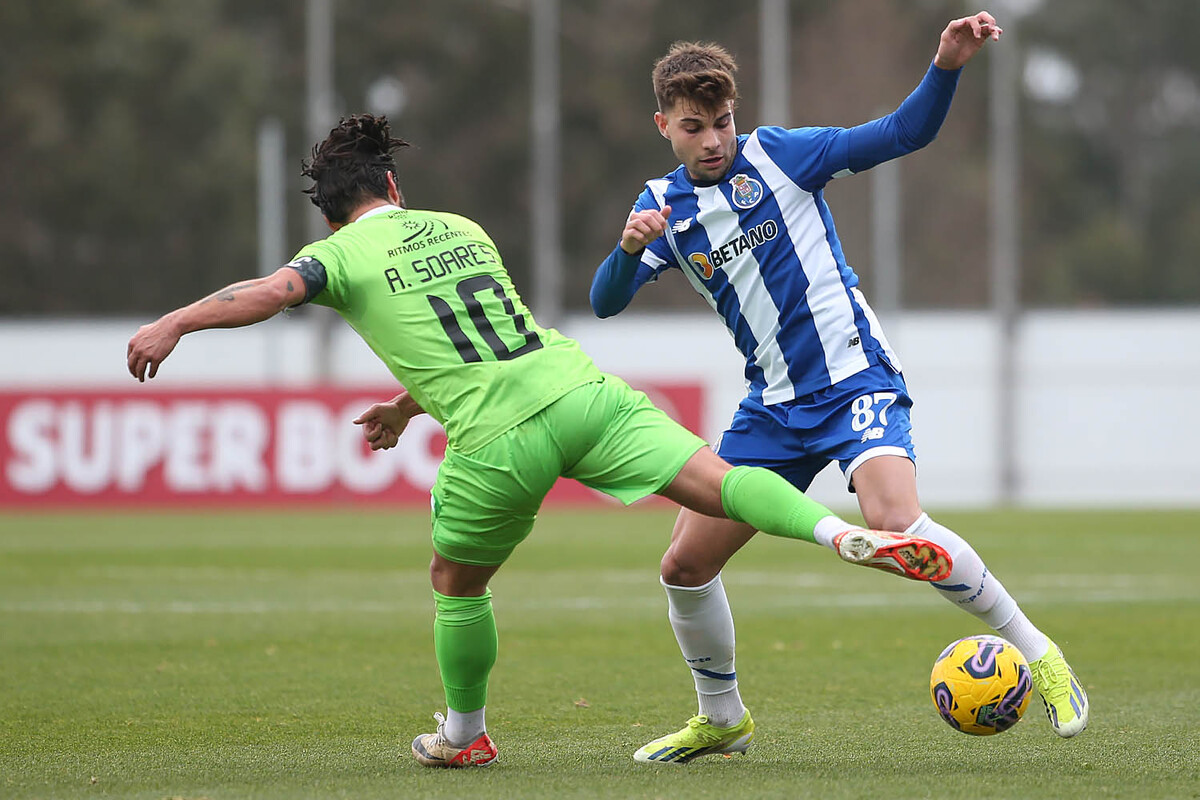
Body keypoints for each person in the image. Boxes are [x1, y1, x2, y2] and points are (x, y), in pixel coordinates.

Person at [126, 114, 953, 769]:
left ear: (334, 207)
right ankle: (839, 531)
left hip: (498, 440)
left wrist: (176, 321)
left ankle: (466, 733)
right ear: (391, 183)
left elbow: (269, 292)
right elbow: (483, 337)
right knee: (719, 480)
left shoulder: (335, 254)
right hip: (579, 391)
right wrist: (407, 406)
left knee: (455, 580)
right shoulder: (458, 227)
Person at [590, 11, 1088, 762]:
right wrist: (629, 250)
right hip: (772, 408)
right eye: (694, 127)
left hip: (853, 376)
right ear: (663, 123)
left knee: (896, 519)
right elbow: (605, 299)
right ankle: (723, 719)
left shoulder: (784, 155)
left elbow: (901, 133)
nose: (715, 140)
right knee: (684, 566)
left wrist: (946, 64)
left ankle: (1041, 655)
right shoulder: (667, 209)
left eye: (723, 121)